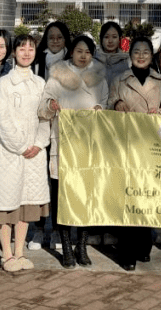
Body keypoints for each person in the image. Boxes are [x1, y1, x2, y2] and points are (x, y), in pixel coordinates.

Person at [39, 34, 108, 268]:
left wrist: (100, 108)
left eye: (88, 52)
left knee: (87, 195)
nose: (83, 55)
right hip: (64, 143)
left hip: (90, 146)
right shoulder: (58, 74)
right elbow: (44, 103)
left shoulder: (99, 75)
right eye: (79, 50)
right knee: (63, 197)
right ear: (71, 52)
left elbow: (106, 102)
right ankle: (66, 245)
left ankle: (82, 245)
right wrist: (51, 105)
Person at [0, 35, 51, 272]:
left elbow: (46, 117)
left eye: (30, 48)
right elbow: (1, 119)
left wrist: (39, 143)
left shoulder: (41, 83)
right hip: (10, 152)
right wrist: (21, 146)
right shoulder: (4, 83)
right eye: (21, 48)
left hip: (34, 152)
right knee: (6, 205)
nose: (26, 52)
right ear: (14, 52)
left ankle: (20, 251)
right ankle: (7, 254)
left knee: (26, 205)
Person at [107, 37, 161, 270]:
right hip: (126, 145)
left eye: (145, 52)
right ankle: (126, 252)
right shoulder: (119, 79)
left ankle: (144, 246)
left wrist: (160, 111)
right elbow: (108, 102)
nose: (141, 56)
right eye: (137, 52)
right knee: (128, 197)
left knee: (147, 196)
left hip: (152, 145)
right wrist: (117, 103)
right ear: (129, 54)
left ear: (152, 56)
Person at [95, 21, 130, 88]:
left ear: (119, 39)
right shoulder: (93, 60)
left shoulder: (126, 62)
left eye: (114, 37)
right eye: (106, 37)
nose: (110, 41)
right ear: (101, 39)